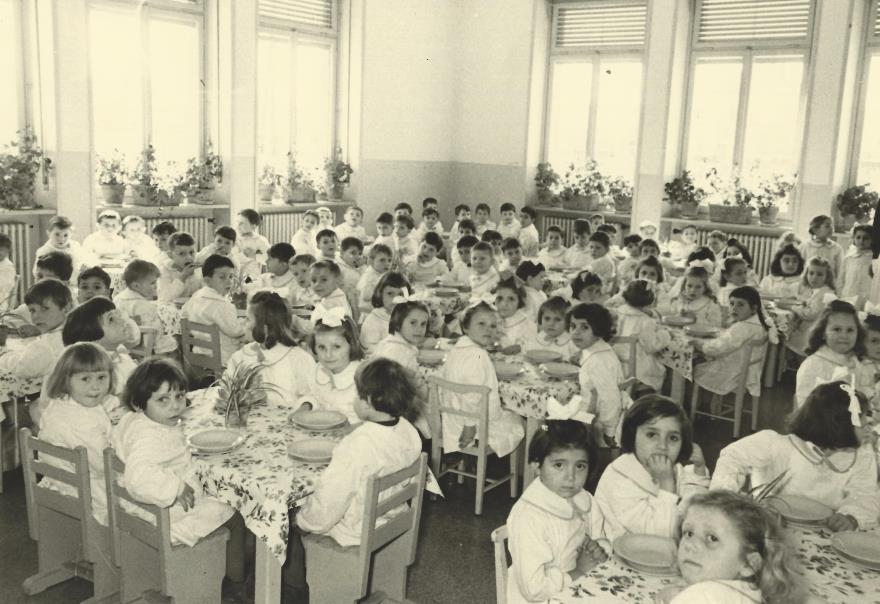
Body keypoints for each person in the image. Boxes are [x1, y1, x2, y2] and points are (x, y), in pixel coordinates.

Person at [290, 357, 422, 604]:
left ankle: (295, 593)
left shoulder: (358, 445)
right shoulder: (408, 430)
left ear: (368, 402)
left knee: (290, 521)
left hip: (356, 530)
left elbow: (331, 501)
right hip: (392, 518)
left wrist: (303, 521)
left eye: (358, 394)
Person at [112, 359, 247, 591]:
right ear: (138, 403)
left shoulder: (135, 421)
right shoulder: (149, 437)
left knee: (220, 490)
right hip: (164, 513)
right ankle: (237, 582)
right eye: (162, 400)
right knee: (236, 513)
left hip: (139, 507)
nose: (175, 406)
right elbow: (138, 476)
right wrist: (176, 487)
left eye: (179, 396)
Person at [712, 381, 880, 532]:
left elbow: (865, 495)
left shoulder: (862, 457)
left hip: (823, 533)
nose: (869, 424)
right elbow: (731, 457)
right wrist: (728, 500)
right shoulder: (780, 446)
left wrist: (851, 517)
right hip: (769, 527)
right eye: (862, 419)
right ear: (839, 425)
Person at [506, 420, 607, 604]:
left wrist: (598, 549)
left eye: (580, 466)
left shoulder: (586, 500)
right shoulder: (529, 517)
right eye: (559, 465)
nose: (570, 477)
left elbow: (600, 538)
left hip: (578, 586)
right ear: (536, 466)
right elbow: (533, 590)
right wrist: (577, 572)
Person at [595, 395, 709, 540]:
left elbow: (693, 505)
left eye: (673, 438)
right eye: (652, 434)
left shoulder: (672, 468)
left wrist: (699, 470)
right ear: (632, 435)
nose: (663, 446)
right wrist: (666, 485)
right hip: (619, 547)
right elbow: (658, 537)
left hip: (663, 541)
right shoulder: (619, 479)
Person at [656, 490, 801, 604]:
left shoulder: (702, 596)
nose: (691, 545)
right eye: (689, 533)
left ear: (749, 564)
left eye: (712, 538)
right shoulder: (750, 593)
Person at [35, 342, 116, 524]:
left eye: (101, 377)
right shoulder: (81, 422)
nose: (96, 387)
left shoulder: (60, 404)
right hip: (83, 490)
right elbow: (103, 465)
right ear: (66, 380)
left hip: (58, 479)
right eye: (85, 379)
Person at [439, 301, 524, 456]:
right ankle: (512, 470)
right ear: (466, 327)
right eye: (481, 324)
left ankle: (469, 463)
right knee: (519, 423)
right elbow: (472, 394)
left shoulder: (456, 349)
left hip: (451, 420)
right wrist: (469, 426)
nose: (488, 329)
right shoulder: (478, 355)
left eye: (493, 326)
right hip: (474, 426)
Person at [223, 291, 315, 407]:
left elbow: (312, 396)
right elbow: (227, 385)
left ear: (264, 329)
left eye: (247, 319)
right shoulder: (241, 356)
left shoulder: (298, 358)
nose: (242, 322)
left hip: (289, 415)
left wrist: (304, 407)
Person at [693, 286, 771, 402]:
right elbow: (730, 340)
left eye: (740, 304)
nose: (734, 308)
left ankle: (696, 405)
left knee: (695, 366)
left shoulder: (742, 327)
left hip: (732, 374)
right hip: (748, 373)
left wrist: (700, 345)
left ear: (754, 308)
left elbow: (717, 349)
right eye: (732, 303)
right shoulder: (759, 323)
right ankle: (713, 405)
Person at [568, 303, 628, 447]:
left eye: (584, 327)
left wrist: (608, 432)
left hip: (594, 424)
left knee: (550, 421)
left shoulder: (597, 361)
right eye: (573, 326)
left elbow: (610, 400)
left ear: (598, 330)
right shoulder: (597, 349)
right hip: (590, 414)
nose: (576, 332)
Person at [795, 299, 874, 405]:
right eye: (837, 329)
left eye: (850, 330)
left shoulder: (860, 362)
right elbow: (805, 407)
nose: (844, 336)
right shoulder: (813, 365)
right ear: (823, 333)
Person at [61, 296, 139, 401]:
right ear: (93, 338)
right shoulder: (96, 372)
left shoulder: (122, 357)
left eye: (118, 315)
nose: (121, 320)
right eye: (111, 319)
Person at [181, 254, 247, 364]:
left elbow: (184, 314)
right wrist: (245, 323)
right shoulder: (223, 305)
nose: (229, 281)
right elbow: (235, 331)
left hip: (199, 352)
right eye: (222, 277)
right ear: (207, 281)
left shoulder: (196, 296)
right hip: (223, 357)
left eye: (231, 276)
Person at [0, 279, 71, 379]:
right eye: (32, 310)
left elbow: (20, 368)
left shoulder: (46, 346)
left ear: (65, 309)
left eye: (44, 308)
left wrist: (3, 353)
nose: (36, 316)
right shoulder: (69, 333)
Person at [301, 313, 364, 424]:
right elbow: (313, 395)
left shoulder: (364, 376)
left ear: (352, 345)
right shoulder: (317, 370)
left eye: (336, 347)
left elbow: (375, 419)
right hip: (323, 429)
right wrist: (306, 406)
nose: (328, 355)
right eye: (322, 347)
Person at [613, 280, 672, 391]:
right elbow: (651, 346)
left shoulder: (616, 313)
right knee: (663, 369)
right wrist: (665, 334)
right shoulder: (646, 321)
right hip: (636, 371)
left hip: (615, 364)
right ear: (649, 302)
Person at [114, 259, 177, 354]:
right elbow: (152, 334)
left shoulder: (118, 299)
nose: (156, 286)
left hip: (123, 345)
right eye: (152, 283)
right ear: (136, 286)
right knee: (174, 341)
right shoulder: (144, 306)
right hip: (146, 348)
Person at [787, 257, 836, 353]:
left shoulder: (826, 294)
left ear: (827, 277)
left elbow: (812, 314)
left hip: (812, 332)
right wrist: (801, 302)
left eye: (820, 274)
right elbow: (812, 303)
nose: (814, 277)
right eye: (811, 273)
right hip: (808, 329)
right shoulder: (818, 291)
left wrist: (793, 307)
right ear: (806, 274)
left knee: (787, 335)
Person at [34, 215, 95, 281]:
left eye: (66, 235)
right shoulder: (44, 252)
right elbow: (37, 274)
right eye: (57, 234)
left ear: (71, 234)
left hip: (76, 282)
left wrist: (85, 267)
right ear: (48, 233)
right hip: (55, 284)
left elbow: (87, 260)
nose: (61, 239)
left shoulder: (75, 246)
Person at [360, 272, 410, 351]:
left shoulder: (407, 315)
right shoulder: (373, 320)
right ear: (380, 294)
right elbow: (369, 348)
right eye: (390, 294)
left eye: (401, 294)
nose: (396, 299)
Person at [523, 296, 578, 361]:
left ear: (568, 322)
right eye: (547, 318)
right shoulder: (536, 338)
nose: (551, 323)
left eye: (558, 319)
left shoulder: (571, 343)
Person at [670, 263, 722, 328]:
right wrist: (678, 317)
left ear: (705, 288)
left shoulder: (710, 305)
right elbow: (671, 316)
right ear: (684, 285)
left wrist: (695, 319)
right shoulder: (678, 300)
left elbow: (716, 325)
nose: (693, 290)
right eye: (689, 286)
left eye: (698, 287)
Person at [494, 277, 537, 355]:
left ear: (519, 302)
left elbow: (536, 346)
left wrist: (520, 347)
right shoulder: (492, 318)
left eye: (511, 299)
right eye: (499, 298)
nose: (504, 304)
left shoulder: (527, 325)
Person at [157, 232, 202, 303]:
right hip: (171, 307)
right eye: (182, 254)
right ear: (170, 255)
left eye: (191, 252)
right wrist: (182, 277)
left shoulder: (197, 269)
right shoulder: (165, 270)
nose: (189, 257)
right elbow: (165, 298)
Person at [800, 214, 844, 282]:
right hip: (809, 282)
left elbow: (840, 270)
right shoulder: (805, 247)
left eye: (832, 226)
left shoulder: (836, 248)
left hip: (828, 283)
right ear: (815, 229)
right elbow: (800, 268)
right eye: (827, 226)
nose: (831, 228)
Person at [842, 224, 873, 308]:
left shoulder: (874, 259)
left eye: (866, 238)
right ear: (854, 238)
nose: (861, 240)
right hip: (848, 293)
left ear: (872, 239)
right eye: (858, 237)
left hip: (866, 295)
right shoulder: (849, 257)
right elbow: (841, 277)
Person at [357, 243, 392, 314]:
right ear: (371, 261)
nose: (387, 264)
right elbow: (366, 296)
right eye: (382, 260)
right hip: (367, 312)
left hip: (375, 309)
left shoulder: (379, 273)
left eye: (389, 260)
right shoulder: (369, 276)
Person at [235, 209, 270, 281]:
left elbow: (269, 259)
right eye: (237, 222)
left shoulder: (260, 240)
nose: (237, 226)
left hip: (251, 276)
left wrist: (254, 256)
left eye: (242, 223)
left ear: (253, 226)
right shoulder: (234, 239)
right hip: (234, 274)